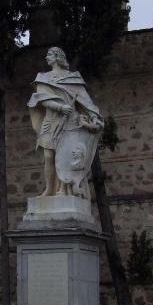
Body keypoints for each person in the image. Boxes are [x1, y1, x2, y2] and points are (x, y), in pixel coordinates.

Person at [27, 47, 104, 198]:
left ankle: (63, 189)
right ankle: (49, 189)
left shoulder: (73, 78)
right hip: (50, 122)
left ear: (57, 57)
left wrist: (94, 116)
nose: (47, 57)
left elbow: (86, 102)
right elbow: (42, 100)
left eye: (50, 54)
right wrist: (61, 107)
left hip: (70, 122)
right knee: (48, 157)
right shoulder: (42, 78)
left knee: (64, 156)